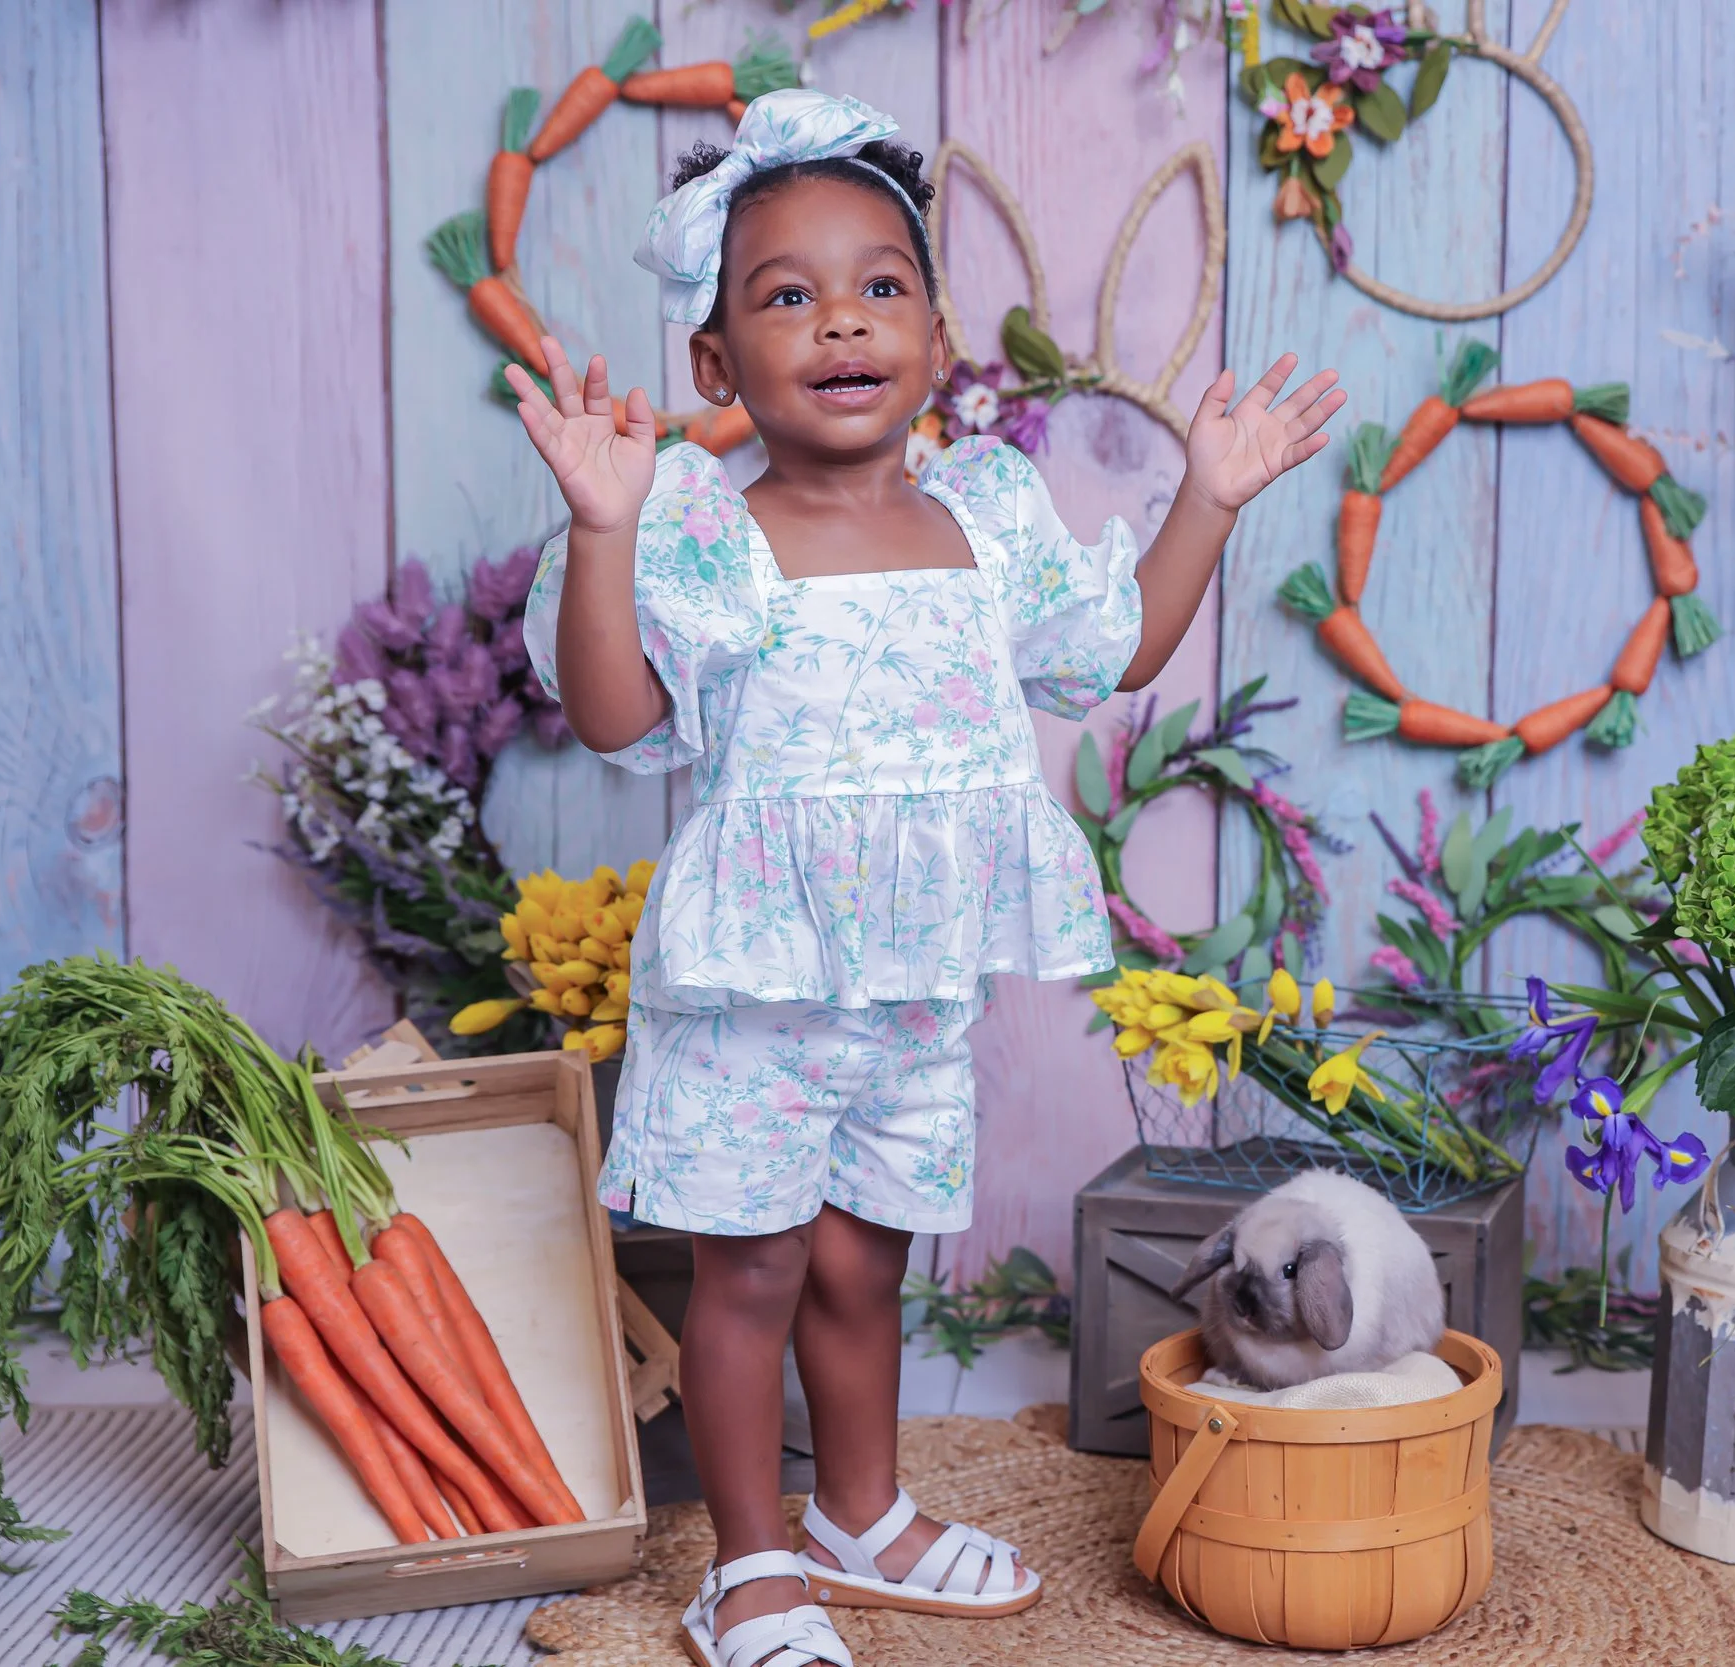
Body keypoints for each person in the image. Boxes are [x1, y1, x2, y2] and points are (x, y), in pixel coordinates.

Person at [511, 88, 1342, 1667]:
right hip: (756, 987)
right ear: (715, 364)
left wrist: (1210, 497)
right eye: (787, 294)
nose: (842, 319)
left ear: (939, 332)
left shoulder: (986, 516)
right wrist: (603, 529)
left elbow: (1118, 652)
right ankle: (752, 1559)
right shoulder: (704, 530)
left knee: (863, 1255)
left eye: (880, 284)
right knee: (751, 1267)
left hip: (907, 983)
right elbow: (611, 714)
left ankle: (864, 1509)